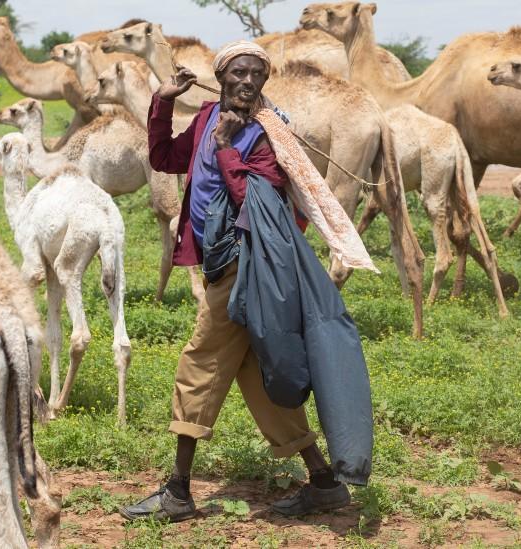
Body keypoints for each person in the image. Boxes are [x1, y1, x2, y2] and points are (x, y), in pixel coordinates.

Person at [118, 41, 353, 522]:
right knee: (255, 377)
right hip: (220, 263)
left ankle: (178, 493)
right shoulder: (207, 117)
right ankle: (324, 482)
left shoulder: (271, 133)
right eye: (238, 74)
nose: (247, 82)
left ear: (264, 82)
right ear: (221, 77)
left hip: (247, 267)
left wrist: (227, 148)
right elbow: (164, 158)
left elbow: (257, 205)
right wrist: (163, 101)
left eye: (256, 76)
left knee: (199, 363)